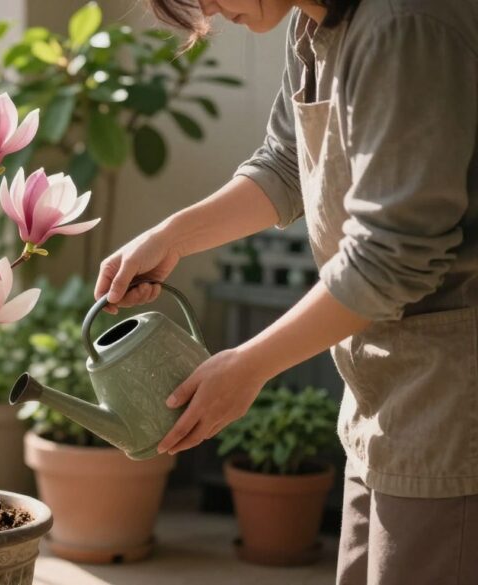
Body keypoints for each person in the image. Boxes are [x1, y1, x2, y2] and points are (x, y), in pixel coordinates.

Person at [95, 0, 478, 582]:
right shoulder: (311, 22)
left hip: (453, 398)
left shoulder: (405, 22)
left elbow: (392, 255)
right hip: (381, 389)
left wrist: (249, 366)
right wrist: (172, 237)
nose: (211, 12)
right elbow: (285, 164)